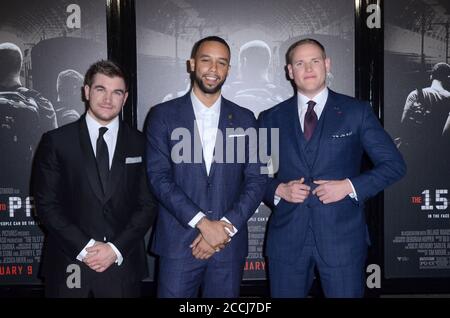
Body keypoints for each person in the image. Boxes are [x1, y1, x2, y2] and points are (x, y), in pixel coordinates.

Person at [258, 38, 406, 298]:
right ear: (289, 71)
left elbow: (394, 165)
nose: (308, 68)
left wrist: (349, 186)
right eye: (300, 63)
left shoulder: (356, 112)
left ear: (327, 64)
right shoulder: (271, 117)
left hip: (343, 240)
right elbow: (253, 174)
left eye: (315, 61)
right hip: (287, 240)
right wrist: (278, 189)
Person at [145, 36, 267, 298]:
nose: (213, 69)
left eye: (221, 63)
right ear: (192, 64)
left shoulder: (246, 119)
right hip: (179, 244)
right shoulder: (162, 115)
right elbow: (158, 178)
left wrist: (222, 229)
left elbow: (257, 180)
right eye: (206, 60)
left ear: (228, 70)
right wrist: (203, 224)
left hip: (227, 246)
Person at [33, 60, 155, 297]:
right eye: (101, 89)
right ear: (86, 91)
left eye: (116, 92)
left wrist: (114, 249)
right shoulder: (57, 141)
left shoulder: (141, 144)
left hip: (122, 262)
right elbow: (46, 204)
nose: (108, 99)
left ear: (125, 97)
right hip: (69, 261)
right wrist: (86, 248)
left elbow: (148, 205)